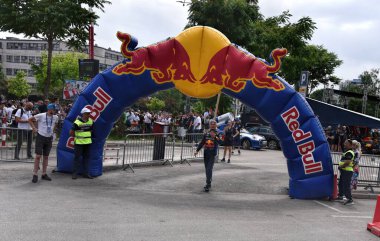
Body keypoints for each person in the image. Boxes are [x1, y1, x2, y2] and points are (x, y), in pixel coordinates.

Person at [28, 104, 59, 183]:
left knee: (46, 156)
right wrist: (34, 128)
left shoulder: (56, 117)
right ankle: (35, 174)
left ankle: (44, 174)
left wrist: (53, 132)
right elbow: (30, 119)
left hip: (49, 138)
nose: (54, 111)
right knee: (38, 156)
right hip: (40, 137)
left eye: (55, 110)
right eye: (53, 109)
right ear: (49, 109)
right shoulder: (41, 115)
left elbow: (55, 124)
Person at [194, 120, 221, 192]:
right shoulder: (206, 132)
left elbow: (221, 141)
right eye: (211, 124)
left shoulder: (218, 132)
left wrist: (215, 136)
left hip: (212, 153)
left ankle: (208, 184)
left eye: (214, 124)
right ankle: (209, 180)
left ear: (216, 125)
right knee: (207, 169)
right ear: (209, 125)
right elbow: (202, 142)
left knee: (209, 169)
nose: (212, 125)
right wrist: (197, 150)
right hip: (206, 153)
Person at [70, 107, 94, 180]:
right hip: (79, 143)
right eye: (87, 113)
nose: (89, 115)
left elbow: (91, 130)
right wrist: (77, 137)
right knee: (77, 158)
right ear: (83, 114)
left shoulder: (91, 121)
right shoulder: (77, 122)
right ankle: (74, 174)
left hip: (88, 143)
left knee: (86, 158)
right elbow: (71, 132)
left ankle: (86, 173)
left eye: (89, 113)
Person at [337, 139, 355, 205]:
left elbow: (348, 162)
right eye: (344, 143)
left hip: (347, 171)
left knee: (346, 186)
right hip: (344, 171)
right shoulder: (347, 151)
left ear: (350, 145)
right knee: (341, 184)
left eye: (346, 143)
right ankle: (340, 196)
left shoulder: (350, 152)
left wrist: (341, 166)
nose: (344, 144)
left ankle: (350, 199)